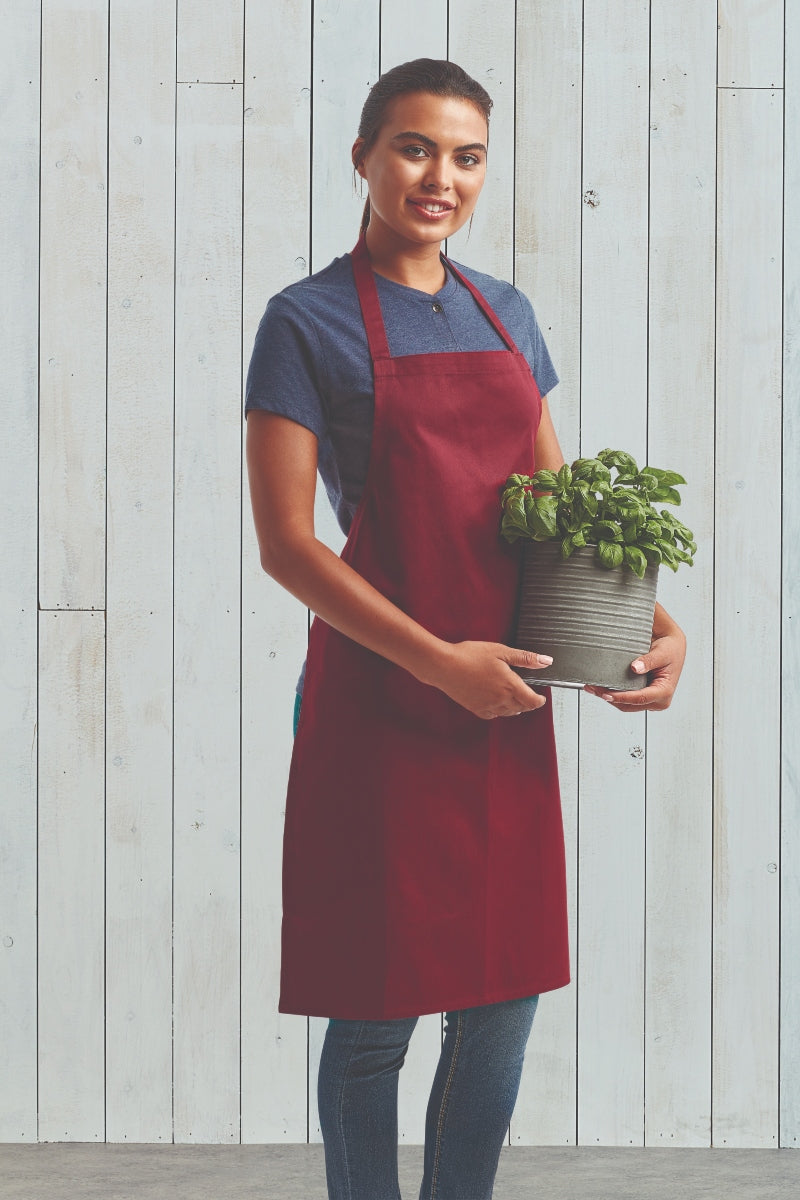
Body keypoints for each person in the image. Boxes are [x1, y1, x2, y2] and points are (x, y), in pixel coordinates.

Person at [246, 58, 686, 1200]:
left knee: (501, 997)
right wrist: (436, 663)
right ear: (362, 156)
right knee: (375, 1011)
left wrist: (651, 618)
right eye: (412, 147)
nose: (438, 177)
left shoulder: (506, 313)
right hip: (383, 697)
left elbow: (564, 505)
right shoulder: (304, 323)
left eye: (465, 156)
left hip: (504, 697)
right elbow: (288, 544)